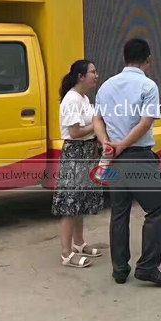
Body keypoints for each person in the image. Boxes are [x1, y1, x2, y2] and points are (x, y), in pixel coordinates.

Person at [93, 38, 161, 287]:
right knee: (158, 209)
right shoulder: (148, 86)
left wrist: (108, 142)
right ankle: (148, 267)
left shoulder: (106, 86)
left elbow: (97, 120)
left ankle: (119, 269)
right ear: (148, 60)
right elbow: (145, 123)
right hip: (138, 158)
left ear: (124, 57)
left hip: (114, 160)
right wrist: (123, 145)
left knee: (119, 213)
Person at [52, 60, 105, 267]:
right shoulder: (72, 99)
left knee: (80, 201)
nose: (96, 75)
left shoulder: (83, 98)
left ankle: (80, 243)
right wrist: (97, 124)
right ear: (81, 77)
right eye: (92, 72)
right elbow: (74, 132)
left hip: (86, 152)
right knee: (69, 204)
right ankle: (66, 253)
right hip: (75, 153)